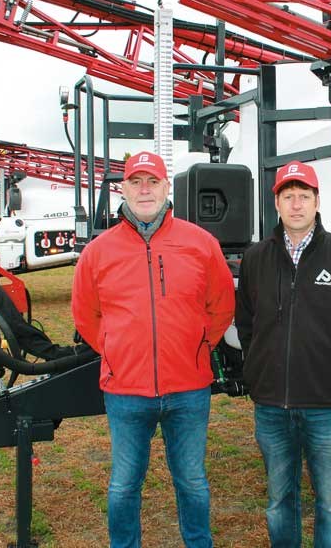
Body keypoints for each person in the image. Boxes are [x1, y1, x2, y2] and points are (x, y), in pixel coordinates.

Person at [71, 150, 235, 548]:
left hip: (188, 389)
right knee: (124, 485)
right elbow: (86, 316)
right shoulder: (98, 252)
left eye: (152, 182)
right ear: (123, 189)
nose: (145, 190)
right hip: (126, 392)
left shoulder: (200, 243)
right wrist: (118, 351)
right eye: (136, 182)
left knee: (193, 482)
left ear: (166, 187)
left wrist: (196, 346)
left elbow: (222, 306)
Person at [235, 160, 331, 548]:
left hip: (327, 407)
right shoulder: (256, 258)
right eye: (287, 196)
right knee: (278, 501)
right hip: (272, 406)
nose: (296, 205)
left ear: (317, 201)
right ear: (276, 203)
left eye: (303, 196)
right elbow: (246, 324)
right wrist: (257, 373)